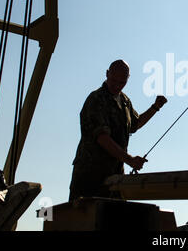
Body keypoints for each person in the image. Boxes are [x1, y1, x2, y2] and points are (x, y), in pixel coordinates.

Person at [69, 60, 167, 201]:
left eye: (122, 82)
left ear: (128, 79)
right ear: (107, 74)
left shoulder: (124, 101)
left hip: (115, 177)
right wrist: (129, 159)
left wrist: (155, 107)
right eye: (114, 80)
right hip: (91, 177)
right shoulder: (96, 99)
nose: (117, 85)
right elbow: (102, 137)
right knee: (87, 218)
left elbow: (135, 124)